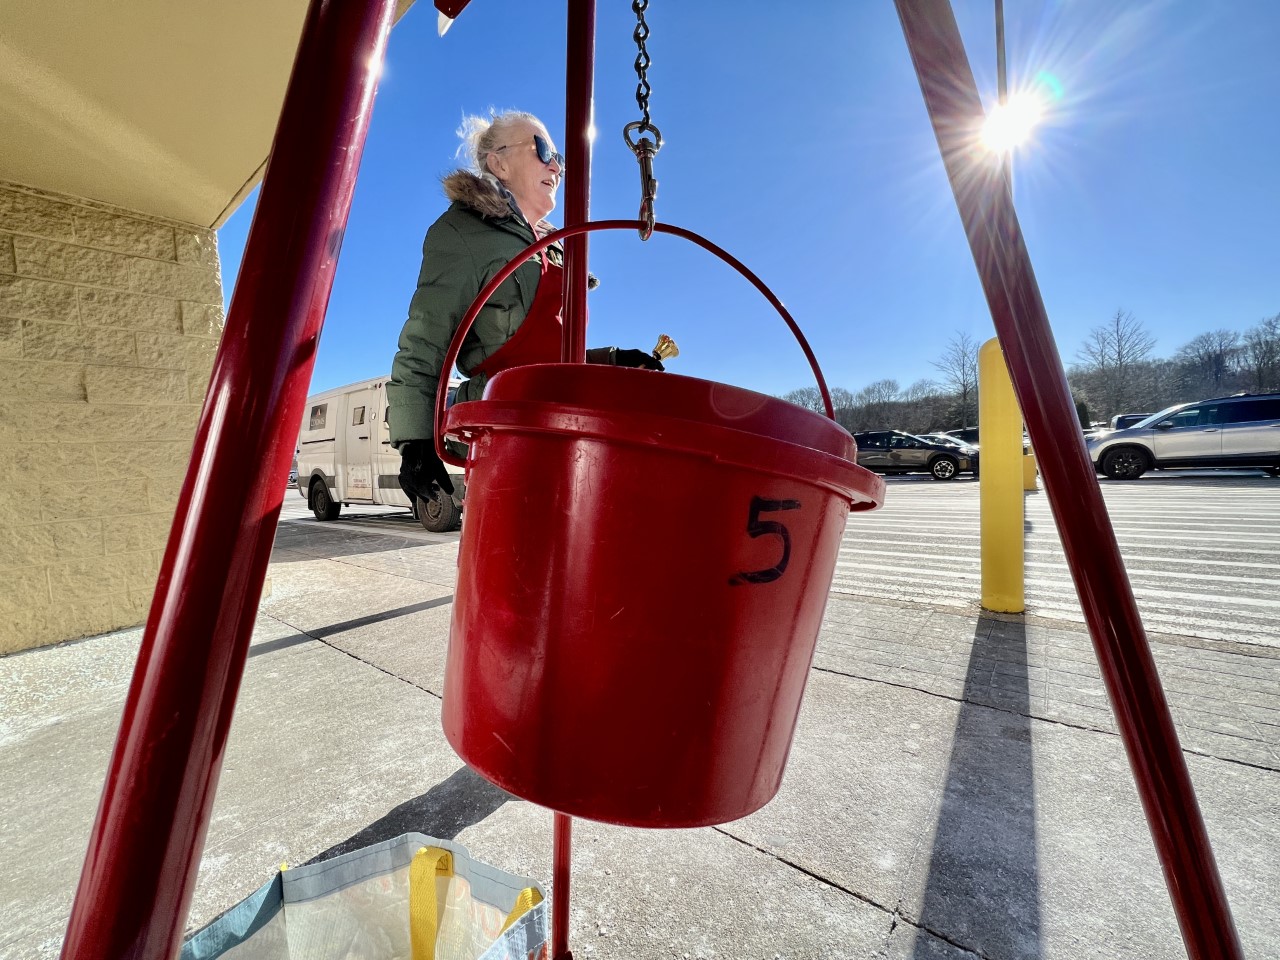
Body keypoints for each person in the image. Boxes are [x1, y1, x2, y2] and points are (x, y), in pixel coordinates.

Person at [387, 109, 663, 507]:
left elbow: (551, 357)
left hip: (565, 428)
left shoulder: (560, 246)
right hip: (506, 432)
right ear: (498, 163)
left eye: (560, 159)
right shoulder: (463, 233)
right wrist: (415, 440)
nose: (556, 165)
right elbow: (425, 340)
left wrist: (613, 359)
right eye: (543, 149)